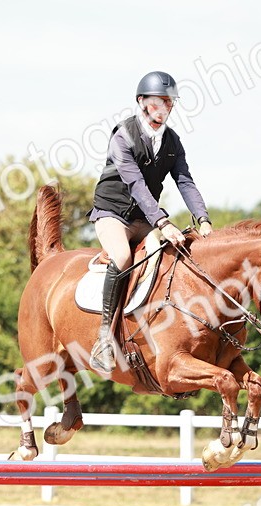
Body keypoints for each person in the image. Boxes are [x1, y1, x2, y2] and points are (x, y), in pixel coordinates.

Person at [88, 70, 214, 376]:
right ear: (142, 102)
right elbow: (136, 185)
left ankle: (153, 330)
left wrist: (204, 219)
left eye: (169, 102)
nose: (165, 107)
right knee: (122, 257)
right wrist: (163, 222)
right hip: (112, 213)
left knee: (176, 255)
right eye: (159, 101)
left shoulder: (172, 141)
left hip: (143, 218)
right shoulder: (124, 136)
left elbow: (185, 181)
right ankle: (104, 337)